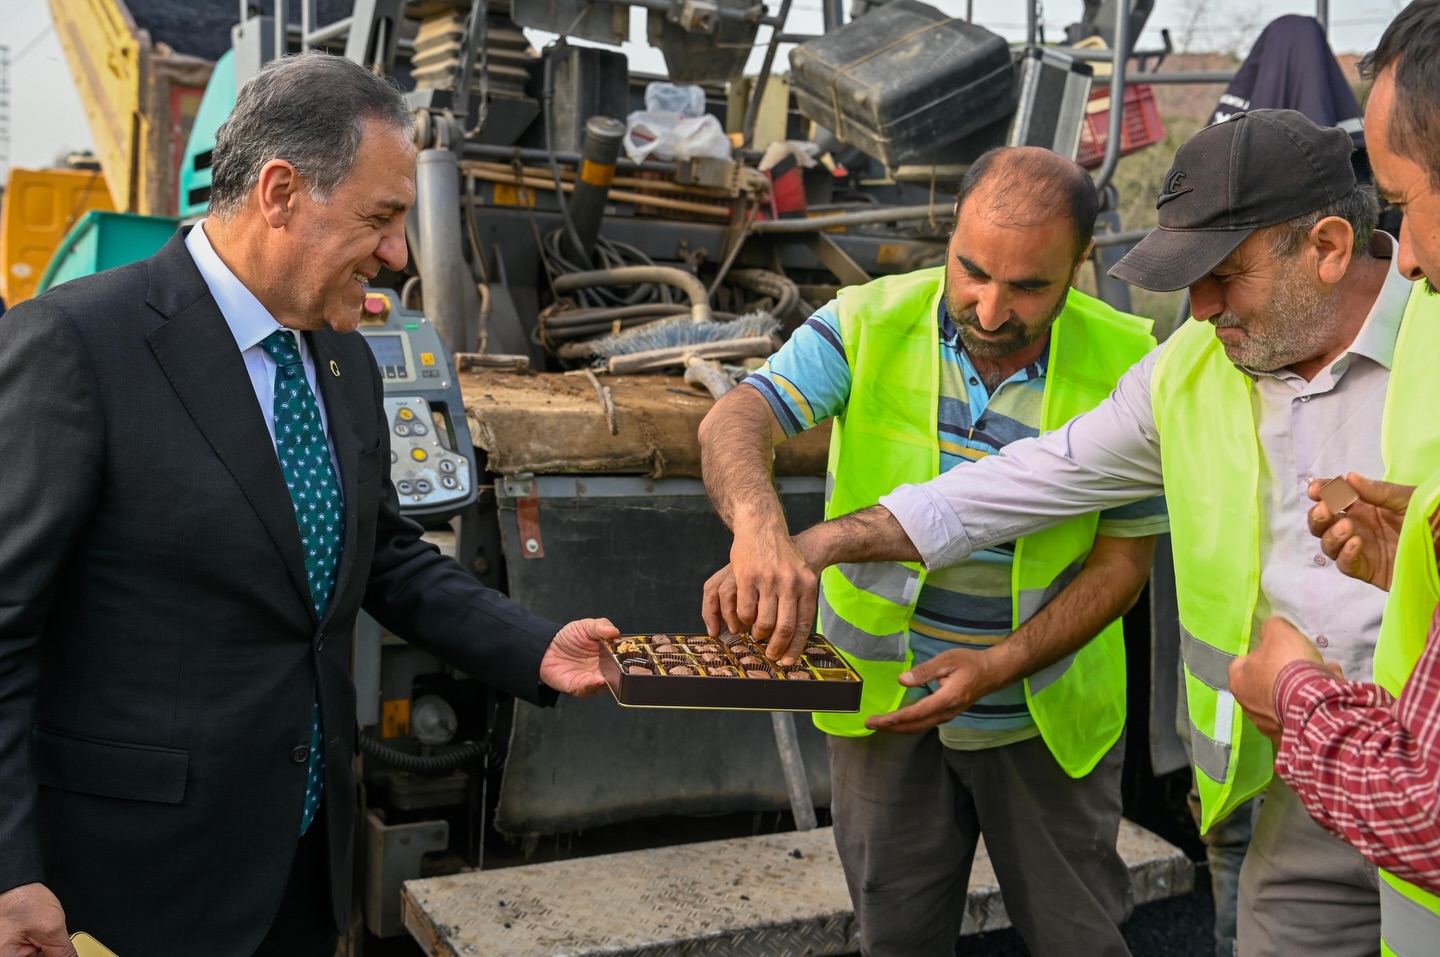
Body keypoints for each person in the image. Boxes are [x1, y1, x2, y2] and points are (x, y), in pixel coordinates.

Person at [711, 110, 1430, 957]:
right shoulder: (1187, 366)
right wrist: (815, 540)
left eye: (1223, 276)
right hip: (1279, 773)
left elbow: (1120, 562)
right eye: (972, 272)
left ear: (1331, 249)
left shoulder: (1420, 337)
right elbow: (1025, 480)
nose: (1197, 310)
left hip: (1410, 766)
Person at [0, 52, 614, 957]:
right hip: (127, 888)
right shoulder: (77, 345)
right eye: (380, 218)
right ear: (281, 192)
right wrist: (10, 870)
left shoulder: (344, 363)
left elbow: (386, 556)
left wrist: (535, 646)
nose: (398, 255)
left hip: (299, 864)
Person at [698, 146, 1165, 957]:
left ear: (1080, 264)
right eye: (972, 271)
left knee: (1081, 940)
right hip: (883, 714)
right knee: (898, 940)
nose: (988, 310)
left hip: (1043, 720)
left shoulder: (1133, 361)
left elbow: (1122, 567)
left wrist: (1001, 662)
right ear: (950, 235)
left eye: (1027, 287)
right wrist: (760, 531)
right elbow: (734, 419)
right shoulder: (865, 320)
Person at [1226, 0, 1440, 946]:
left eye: (1406, 207)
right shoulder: (1192, 372)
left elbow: (1425, 812)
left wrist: (1299, 696)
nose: (1416, 259)